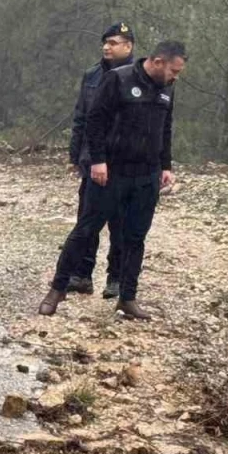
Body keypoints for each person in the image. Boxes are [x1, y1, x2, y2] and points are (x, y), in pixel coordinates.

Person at [39, 40, 187, 320]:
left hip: (146, 175)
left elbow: (165, 127)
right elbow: (94, 121)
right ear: (157, 62)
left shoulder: (167, 88)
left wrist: (166, 165)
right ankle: (57, 289)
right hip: (110, 173)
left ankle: (127, 298)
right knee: (85, 231)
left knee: (135, 238)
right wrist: (97, 160)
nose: (175, 77)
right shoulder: (118, 79)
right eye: (173, 70)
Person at [67, 21, 134, 298]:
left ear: (128, 46)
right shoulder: (92, 75)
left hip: (123, 160)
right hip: (92, 158)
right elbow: (82, 115)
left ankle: (115, 278)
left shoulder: (137, 77)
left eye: (114, 42)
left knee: (120, 223)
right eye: (105, 42)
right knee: (87, 221)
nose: (107, 47)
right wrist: (75, 153)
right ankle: (82, 274)